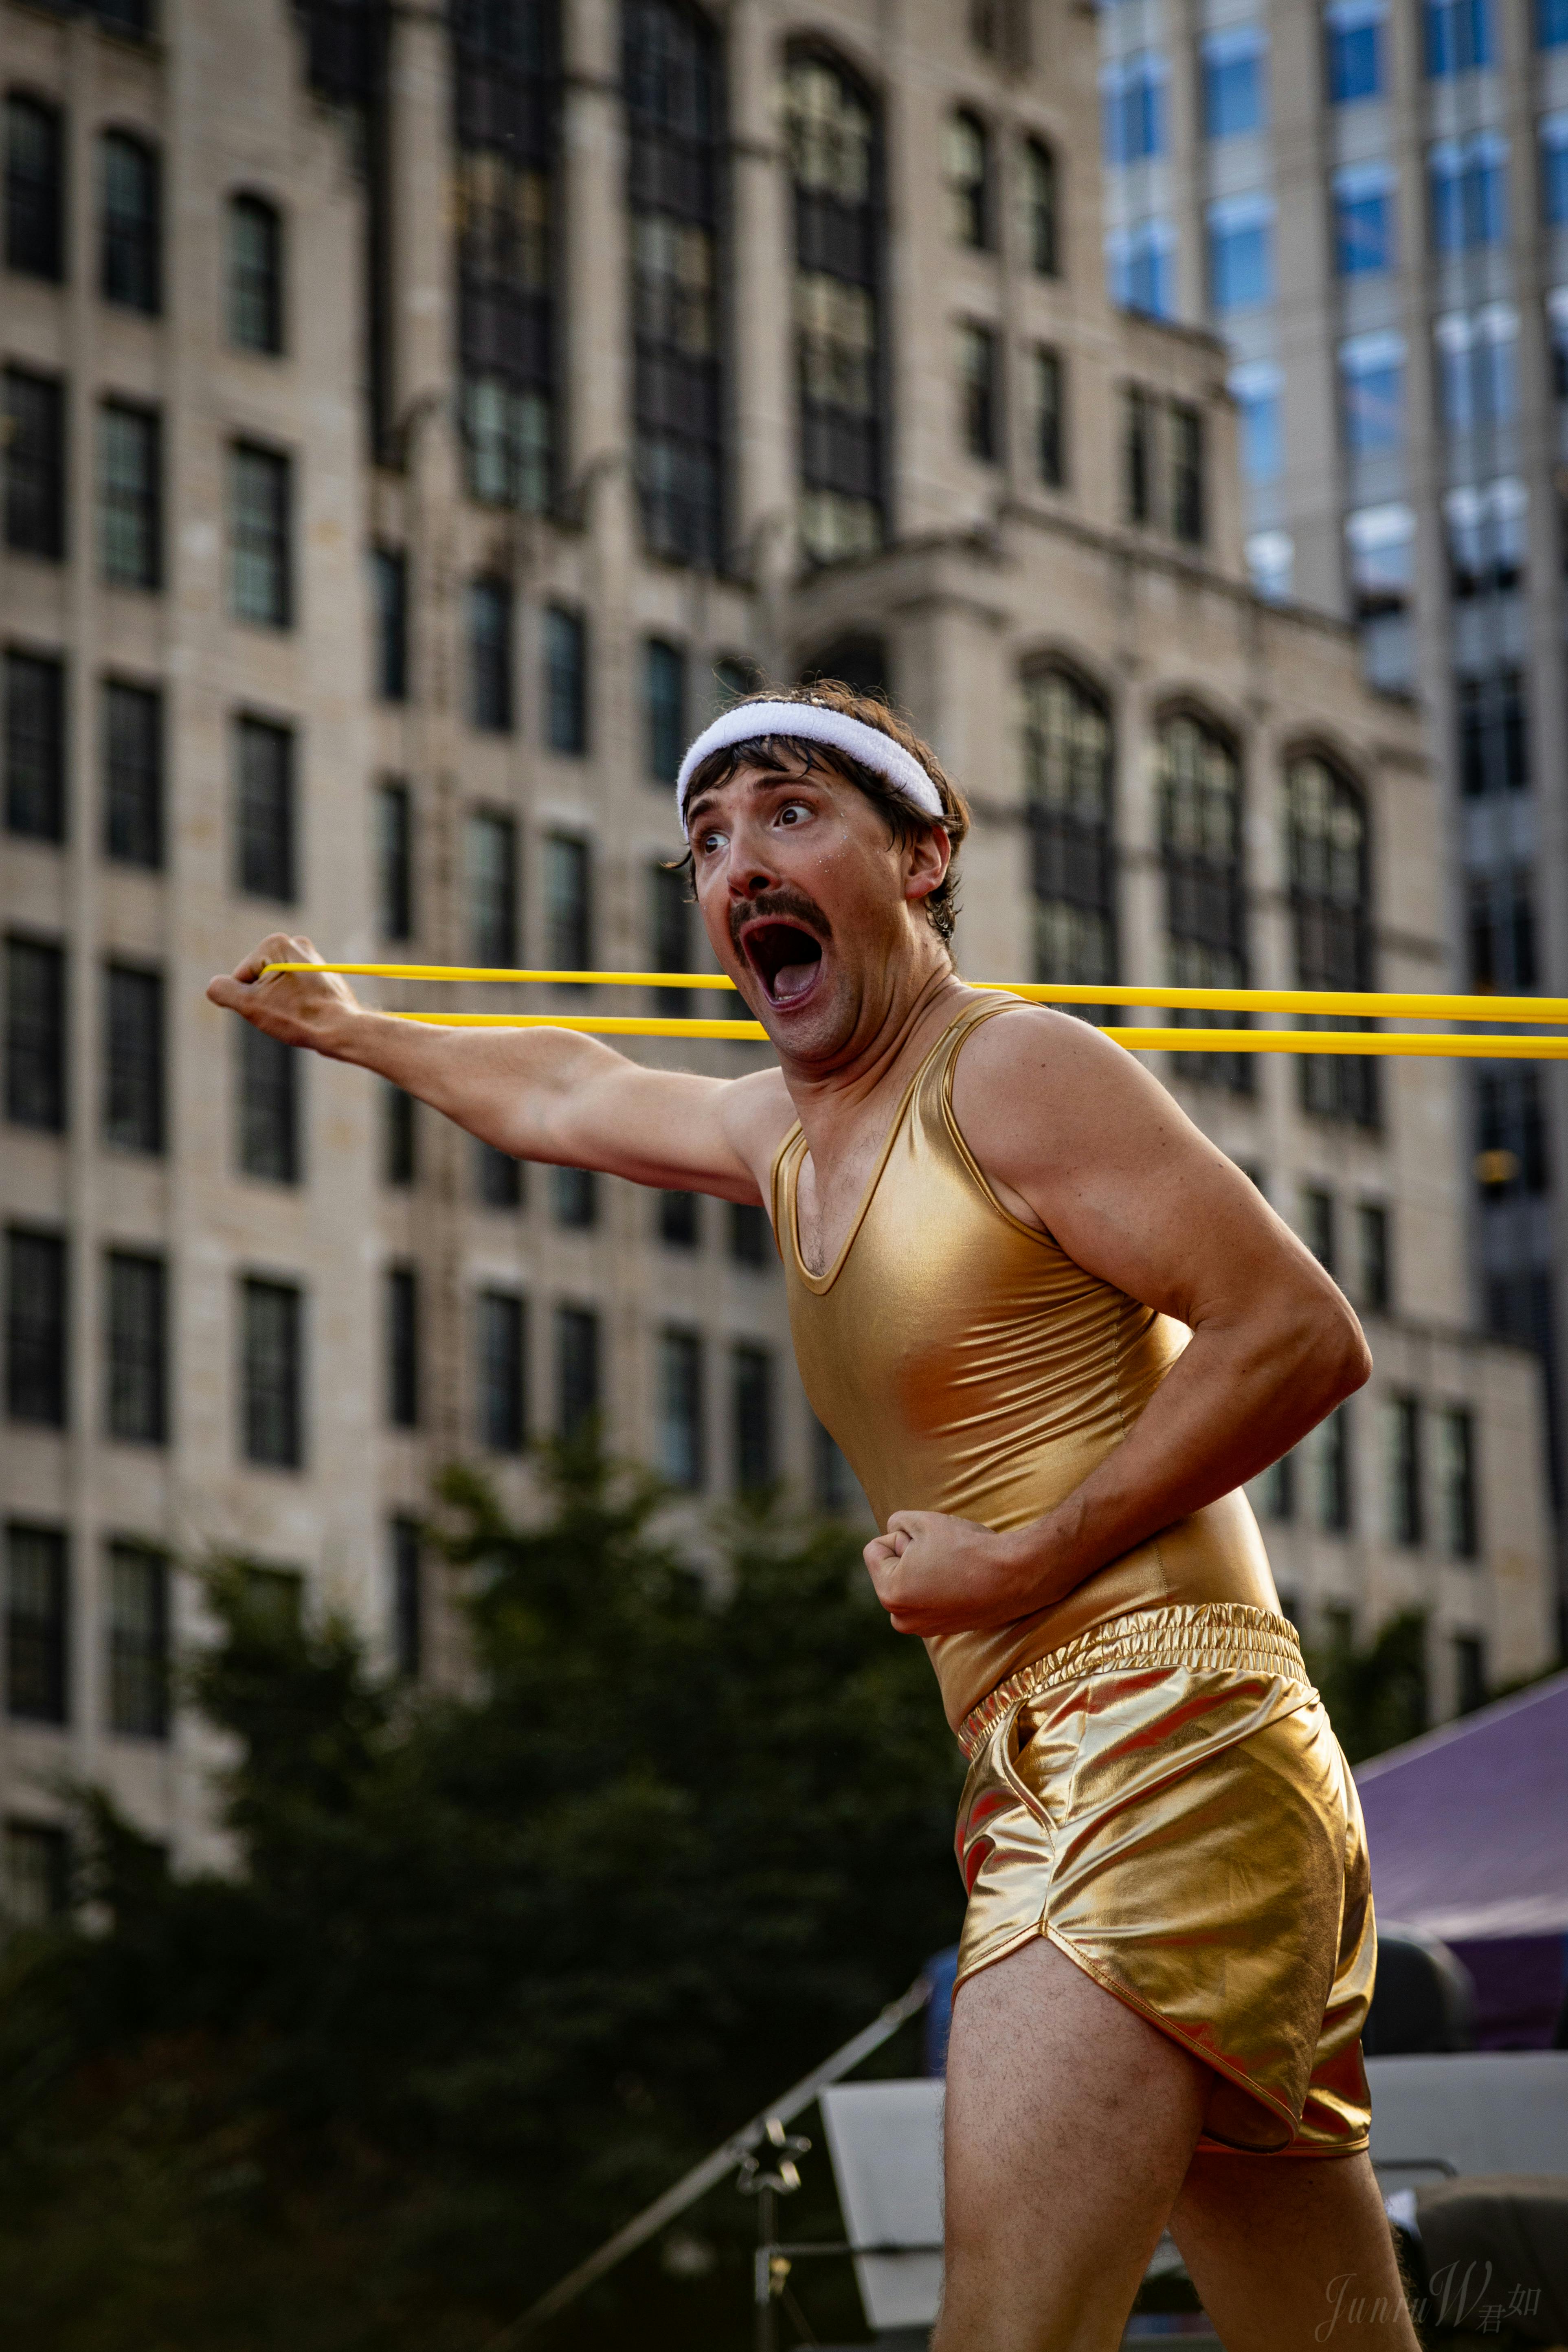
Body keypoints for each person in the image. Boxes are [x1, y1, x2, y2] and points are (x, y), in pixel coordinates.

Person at [210, 681, 1417, 2351]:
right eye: (707, 840)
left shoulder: (1014, 1068)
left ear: (923, 858)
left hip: (1162, 1740)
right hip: (1074, 1756)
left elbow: (1300, 1333)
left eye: (789, 814)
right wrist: (356, 1026)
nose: (735, 862)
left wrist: (1021, 1554)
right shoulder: (786, 1133)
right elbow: (564, 1093)